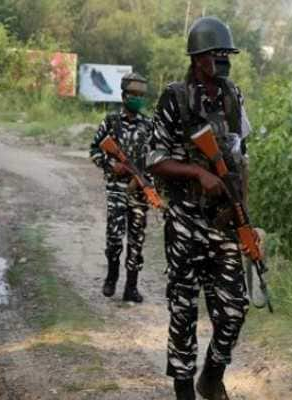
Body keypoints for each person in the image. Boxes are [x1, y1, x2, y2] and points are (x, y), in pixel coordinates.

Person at [147, 16, 252, 400]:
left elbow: (241, 157)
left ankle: (211, 376)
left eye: (226, 53)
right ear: (197, 58)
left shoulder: (232, 95)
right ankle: (183, 390)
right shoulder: (175, 99)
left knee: (235, 308)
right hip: (186, 220)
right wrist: (196, 172)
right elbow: (154, 159)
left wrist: (244, 217)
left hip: (223, 221)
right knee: (184, 310)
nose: (222, 60)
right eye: (215, 54)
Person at [89, 72, 153, 303]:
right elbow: (94, 149)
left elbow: (155, 158)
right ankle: (111, 278)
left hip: (139, 192)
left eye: (141, 95)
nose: (137, 99)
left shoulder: (149, 124)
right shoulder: (111, 122)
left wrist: (145, 182)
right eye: (133, 95)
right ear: (124, 96)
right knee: (115, 238)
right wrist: (111, 165)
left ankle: (131, 287)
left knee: (136, 240)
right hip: (116, 189)